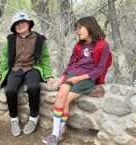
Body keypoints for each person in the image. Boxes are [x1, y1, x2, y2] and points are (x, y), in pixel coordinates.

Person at [42, 16, 112, 145]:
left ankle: (58, 134)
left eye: (80, 27)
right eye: (76, 28)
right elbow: (70, 63)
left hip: (87, 78)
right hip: (72, 74)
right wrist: (64, 76)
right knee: (61, 97)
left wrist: (78, 78)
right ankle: (55, 134)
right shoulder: (79, 45)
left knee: (66, 99)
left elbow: (99, 69)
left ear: (89, 26)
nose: (77, 31)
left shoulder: (103, 45)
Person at [0, 11, 54, 136]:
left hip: (32, 68)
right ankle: (14, 119)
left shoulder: (39, 39)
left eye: (22, 22)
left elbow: (45, 59)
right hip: (15, 68)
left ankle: (33, 117)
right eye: (17, 24)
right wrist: (0, 71)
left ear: (29, 23)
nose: (20, 25)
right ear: (14, 27)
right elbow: (4, 58)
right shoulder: (11, 39)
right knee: (10, 90)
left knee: (33, 87)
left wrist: (48, 75)